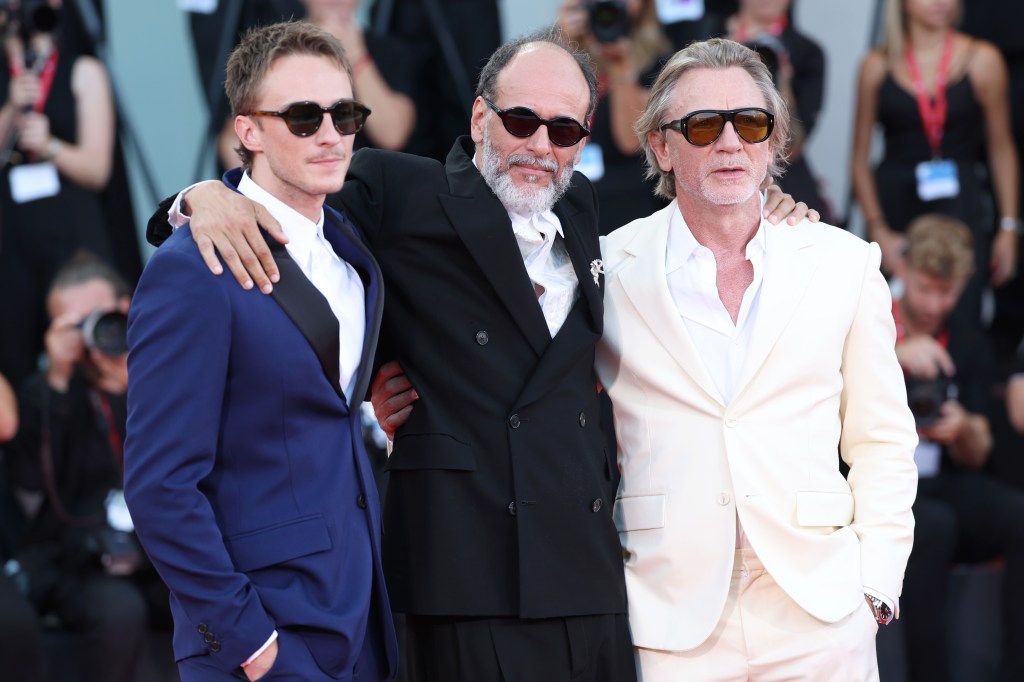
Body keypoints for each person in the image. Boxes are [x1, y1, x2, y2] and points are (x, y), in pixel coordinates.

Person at [147, 26, 815, 681]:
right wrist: (198, 198)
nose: (539, 146)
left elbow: (694, 231)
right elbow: (287, 188)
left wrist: (770, 209)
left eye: (564, 131)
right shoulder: (403, 192)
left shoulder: (583, 208)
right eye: (521, 120)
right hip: (469, 575)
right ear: (479, 115)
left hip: (591, 576)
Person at [593, 38, 918, 680]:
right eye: (703, 125)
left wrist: (874, 582)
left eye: (751, 123)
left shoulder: (844, 264)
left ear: (775, 141)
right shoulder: (608, 268)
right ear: (661, 145)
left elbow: (882, 438)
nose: (729, 143)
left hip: (820, 612)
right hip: (669, 617)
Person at [125, 22, 396, 682]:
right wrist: (250, 644)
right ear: (249, 131)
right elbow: (159, 486)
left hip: (363, 625)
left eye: (346, 114)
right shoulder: (196, 268)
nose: (331, 134)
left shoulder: (356, 249)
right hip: (259, 639)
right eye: (304, 117)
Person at [4, 254, 167, 682]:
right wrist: (57, 379)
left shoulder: (163, 368)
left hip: (159, 548)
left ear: (128, 306)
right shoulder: (49, 391)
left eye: (103, 318)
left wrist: (136, 386)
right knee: (118, 611)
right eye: (78, 326)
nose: (96, 334)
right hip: (81, 560)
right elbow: (28, 481)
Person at [893, 214, 1024, 682]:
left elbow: (978, 454)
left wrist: (968, 427)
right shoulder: (870, 324)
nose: (934, 305)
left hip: (945, 480)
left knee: (1015, 514)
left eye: (946, 293)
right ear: (903, 271)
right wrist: (891, 355)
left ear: (964, 285)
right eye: (926, 289)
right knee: (934, 527)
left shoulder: (968, 343)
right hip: (882, 485)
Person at [851, 0, 1020, 328]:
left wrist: (1009, 227)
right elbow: (859, 160)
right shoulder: (876, 64)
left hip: (961, 206)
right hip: (895, 209)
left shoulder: (983, 59)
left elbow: (1002, 148)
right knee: (883, 323)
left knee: (961, 318)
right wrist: (877, 227)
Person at [0, 0, 119, 391]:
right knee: (13, 355)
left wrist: (51, 147)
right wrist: (12, 108)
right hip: (10, 239)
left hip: (72, 233)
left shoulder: (83, 70)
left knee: (92, 346)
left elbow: (98, 169)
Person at [557, 0, 673, 234]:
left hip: (627, 209)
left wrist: (621, 70)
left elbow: (631, 142)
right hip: (565, 203)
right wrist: (563, 49)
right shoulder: (565, 52)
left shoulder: (660, 60)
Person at [727, 0, 831, 221]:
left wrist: (783, 87)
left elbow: (792, 149)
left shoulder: (807, 53)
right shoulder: (705, 36)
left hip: (779, 169)